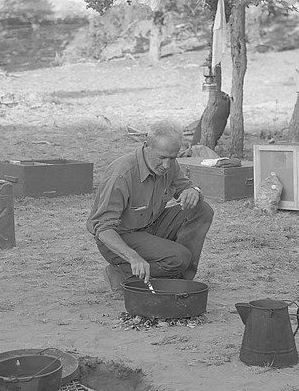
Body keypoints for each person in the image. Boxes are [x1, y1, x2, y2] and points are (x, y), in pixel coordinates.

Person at [87, 120, 214, 291]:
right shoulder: (121, 174)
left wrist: (194, 191)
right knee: (179, 258)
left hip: (150, 226)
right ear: (146, 146)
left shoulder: (169, 164)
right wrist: (133, 257)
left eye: (172, 158)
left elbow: (186, 187)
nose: (167, 165)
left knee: (201, 209)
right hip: (120, 236)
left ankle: (180, 280)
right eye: (162, 158)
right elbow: (102, 228)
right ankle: (122, 272)